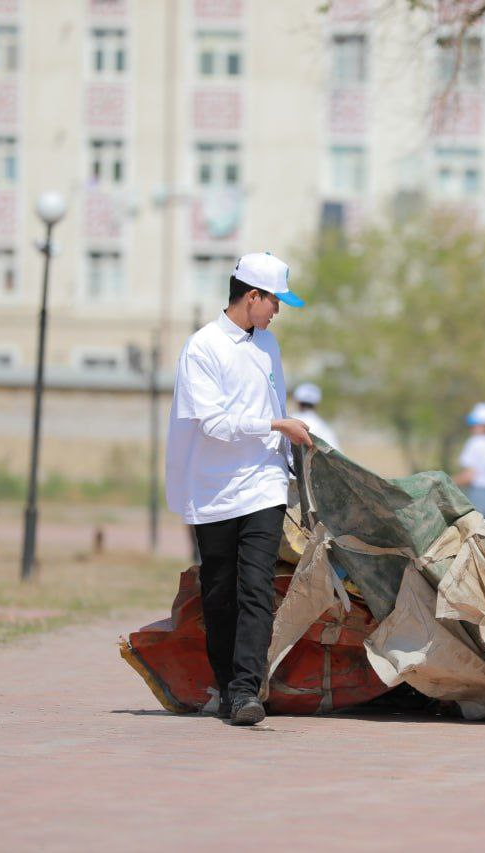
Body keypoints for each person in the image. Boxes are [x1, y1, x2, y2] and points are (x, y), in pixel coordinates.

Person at [164, 252, 314, 726]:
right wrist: (275, 424)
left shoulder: (269, 346)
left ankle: (248, 690)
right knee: (220, 593)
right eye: (274, 301)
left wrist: (289, 455)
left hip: (264, 484)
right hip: (213, 490)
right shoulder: (202, 348)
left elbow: (275, 404)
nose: (277, 311)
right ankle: (228, 685)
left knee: (256, 587)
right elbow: (213, 423)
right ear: (252, 296)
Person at [292, 382, 340, 450]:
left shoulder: (288, 421)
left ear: (297, 401)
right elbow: (335, 452)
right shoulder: (322, 427)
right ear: (317, 404)